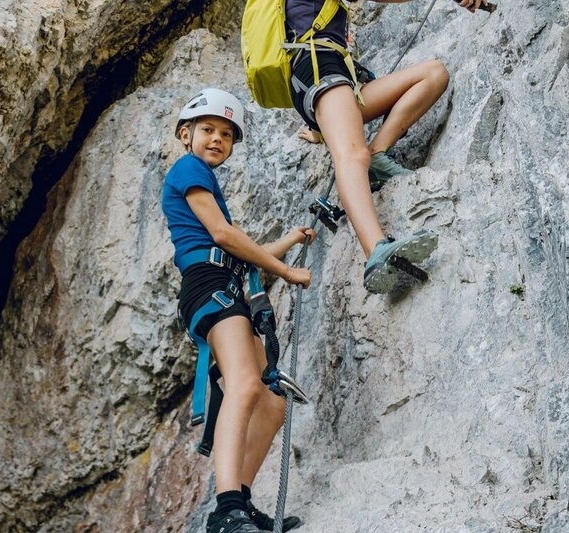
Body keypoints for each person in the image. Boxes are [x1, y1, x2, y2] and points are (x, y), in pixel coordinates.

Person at [162, 87, 312, 532]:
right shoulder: (188, 168)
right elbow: (224, 237)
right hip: (208, 287)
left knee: (271, 403)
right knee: (246, 384)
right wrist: (284, 271)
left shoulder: (204, 180)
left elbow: (237, 250)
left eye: (226, 134)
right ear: (185, 134)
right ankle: (225, 511)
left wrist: (289, 240)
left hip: (222, 284)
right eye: (207, 129)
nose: (216, 139)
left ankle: (240, 504)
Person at [287, 0, 486, 292]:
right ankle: (375, 252)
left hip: (333, 73)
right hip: (319, 66)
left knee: (433, 74)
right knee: (352, 155)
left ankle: (378, 153)